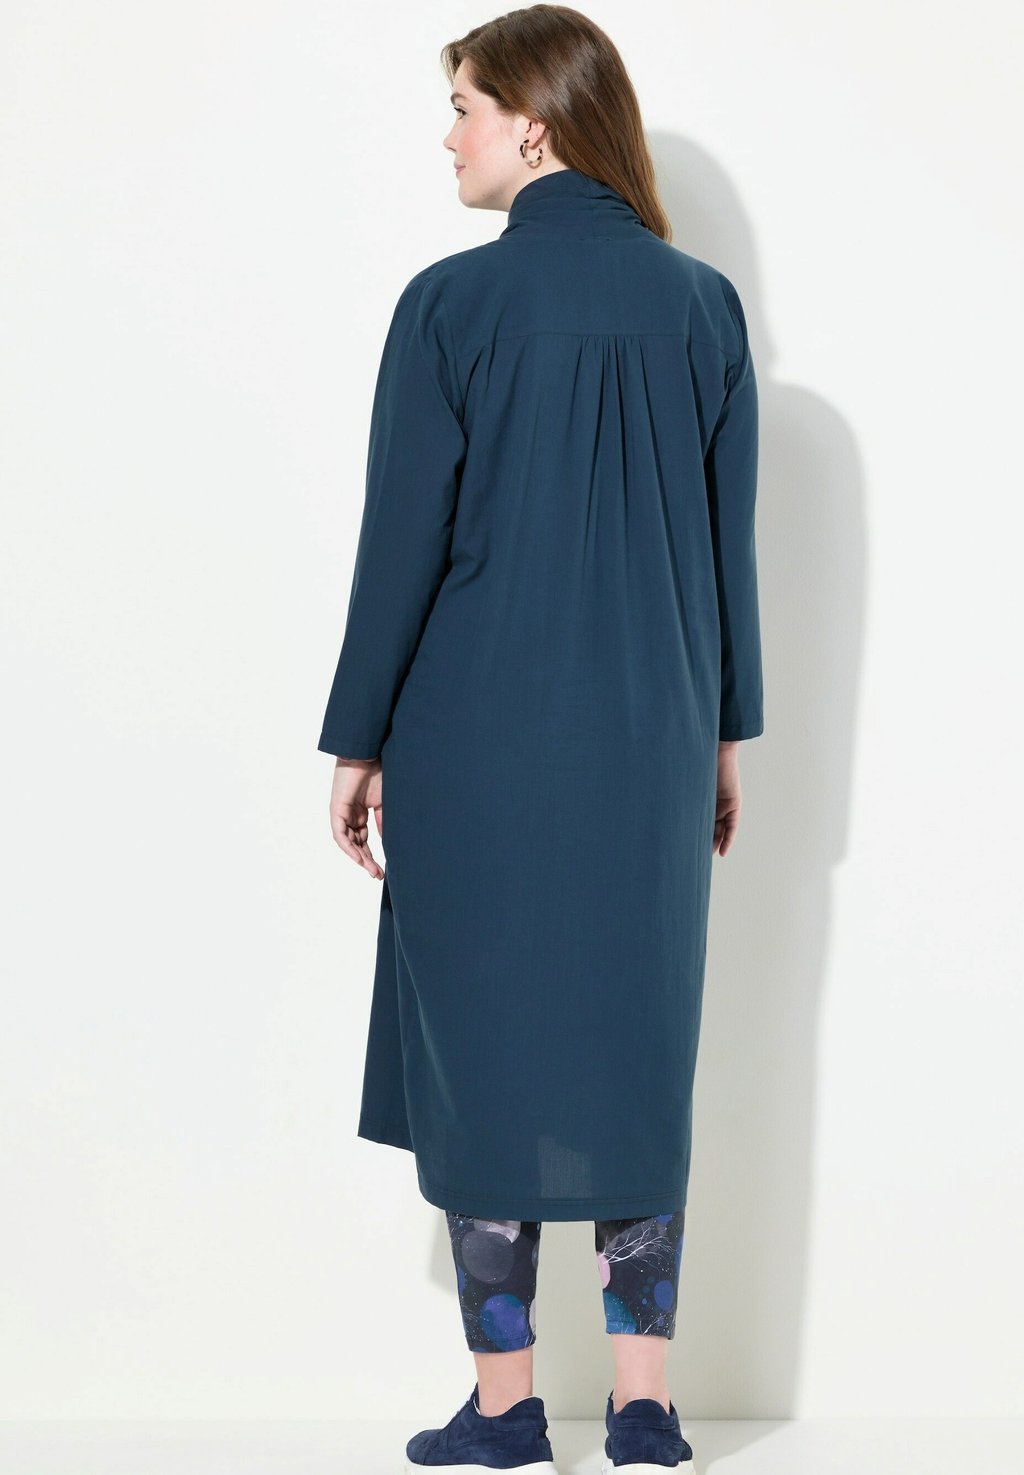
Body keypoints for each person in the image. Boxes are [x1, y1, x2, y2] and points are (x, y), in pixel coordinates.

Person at [317, 8, 764, 1472]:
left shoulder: (450, 307)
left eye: (463, 105)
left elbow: (400, 546)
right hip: (650, 742)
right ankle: (643, 1407)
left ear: (536, 121)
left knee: (485, 1053)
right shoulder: (703, 309)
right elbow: (726, 557)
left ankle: (507, 1412)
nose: (447, 134)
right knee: (640, 1049)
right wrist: (722, 737)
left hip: (473, 740)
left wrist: (358, 739)